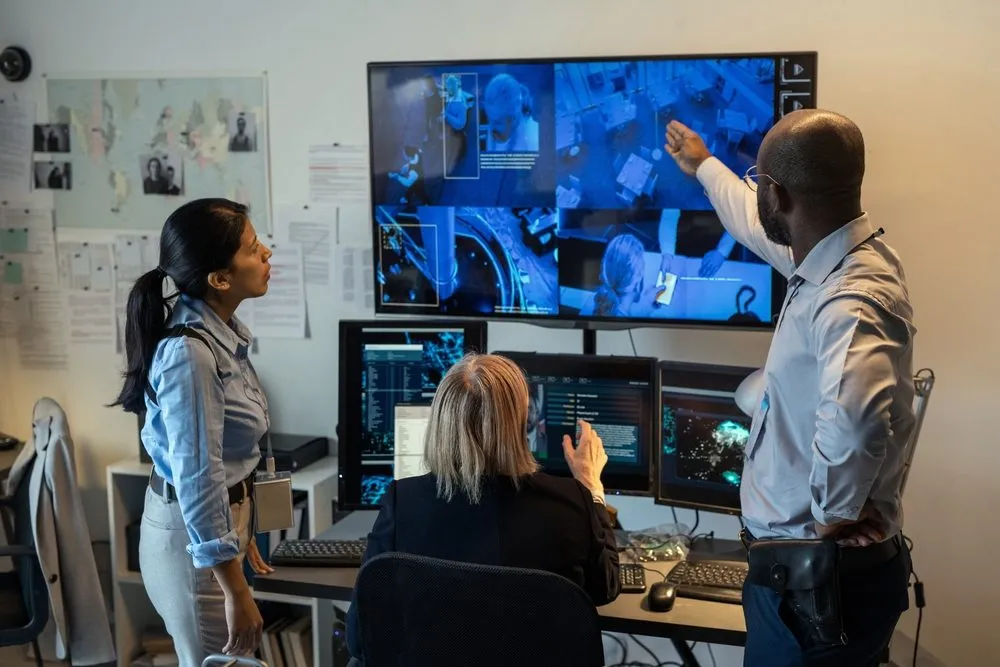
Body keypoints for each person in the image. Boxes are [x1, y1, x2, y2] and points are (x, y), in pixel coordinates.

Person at [665, 111, 915, 667]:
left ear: (776, 193)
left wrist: (830, 518)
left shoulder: (850, 298)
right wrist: (705, 165)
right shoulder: (831, 257)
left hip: (818, 589)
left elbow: (857, 423)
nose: (755, 194)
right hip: (802, 578)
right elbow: (752, 226)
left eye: (759, 180)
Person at [346, 353, 621, 662]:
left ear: (441, 422)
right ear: (520, 424)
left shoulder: (403, 501)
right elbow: (606, 588)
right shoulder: (570, 501)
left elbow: (359, 636)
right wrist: (591, 488)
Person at [110, 198, 275, 665]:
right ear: (219, 279)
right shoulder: (191, 355)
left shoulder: (221, 331)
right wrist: (236, 590)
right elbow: (200, 480)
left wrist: (243, 534)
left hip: (215, 535)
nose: (267, 254)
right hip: (191, 546)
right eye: (252, 248)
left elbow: (229, 457)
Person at [580, 233, 653, 317]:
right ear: (638, 279)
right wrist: (649, 302)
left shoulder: (593, 301)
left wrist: (649, 303)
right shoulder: (631, 321)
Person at [483, 73, 539, 152]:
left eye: (497, 122)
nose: (491, 127)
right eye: (489, 118)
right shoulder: (495, 131)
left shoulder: (535, 141)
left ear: (513, 118)